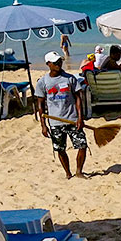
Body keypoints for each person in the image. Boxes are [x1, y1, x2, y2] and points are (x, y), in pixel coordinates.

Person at [37, 51, 87, 179]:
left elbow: (78, 99)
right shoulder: (43, 82)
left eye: (60, 61)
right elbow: (40, 105)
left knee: (82, 145)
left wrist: (80, 118)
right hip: (55, 122)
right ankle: (68, 173)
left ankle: (79, 171)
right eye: (55, 62)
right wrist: (43, 125)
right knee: (60, 149)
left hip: (72, 119)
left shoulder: (70, 78)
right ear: (48, 64)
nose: (58, 64)